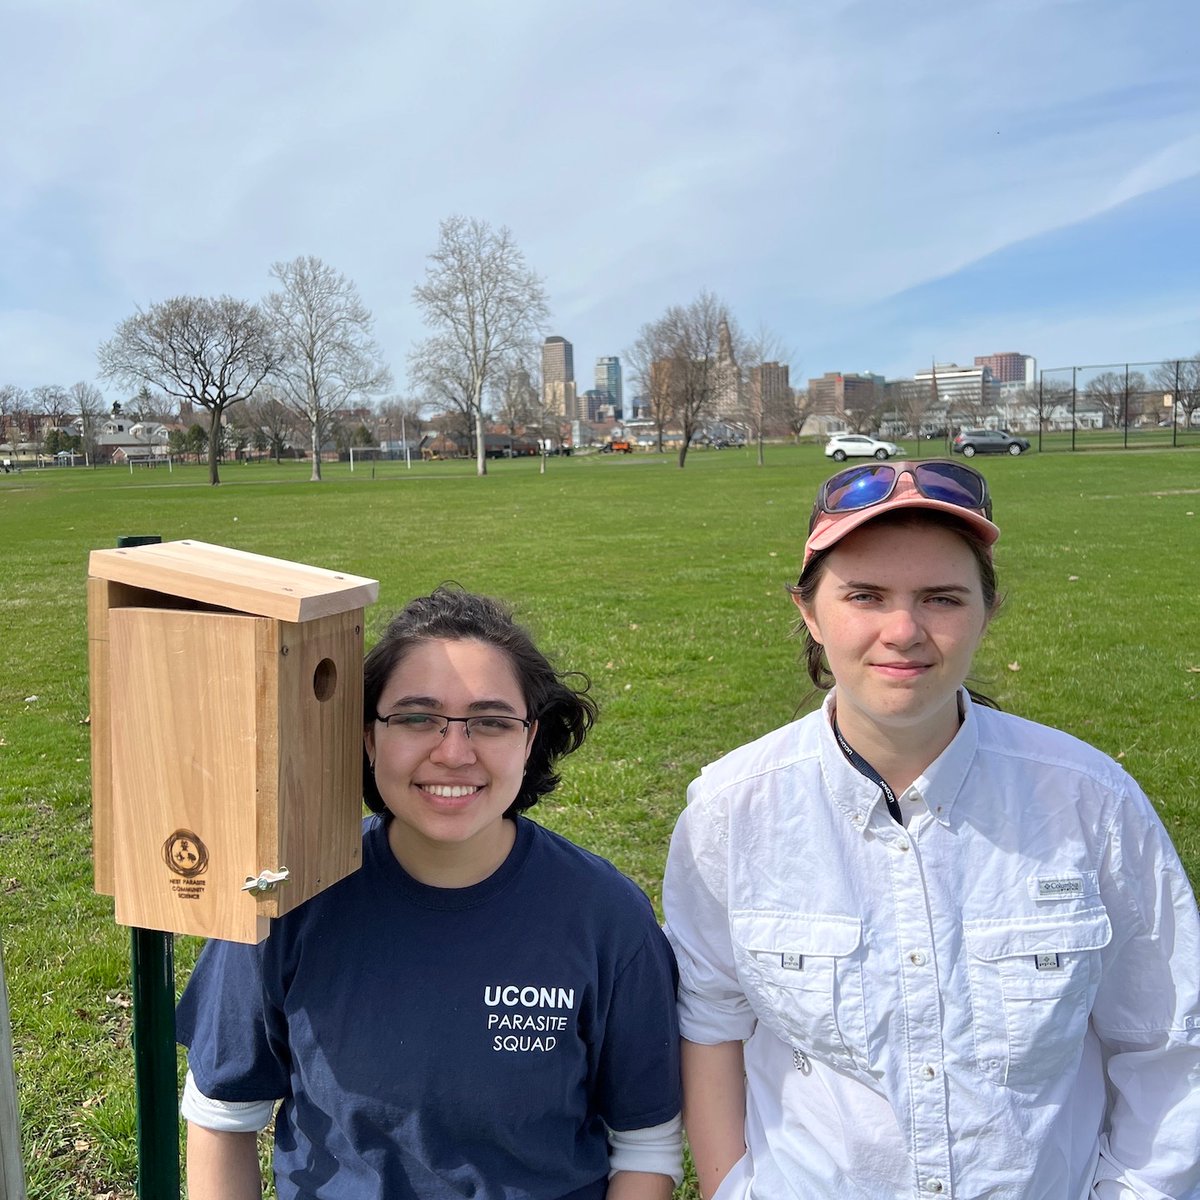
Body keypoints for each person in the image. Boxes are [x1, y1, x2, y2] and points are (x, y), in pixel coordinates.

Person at [663, 460, 1200, 1200]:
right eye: (865, 596)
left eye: (941, 598)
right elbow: (712, 1021)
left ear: (988, 610)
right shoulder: (729, 810)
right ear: (811, 613)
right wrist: (731, 1191)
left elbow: (1169, 1041)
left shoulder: (1091, 801)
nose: (904, 631)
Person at [178, 586, 682, 1200]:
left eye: (491, 722)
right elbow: (221, 1115)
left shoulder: (607, 918)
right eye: (417, 718)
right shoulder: (284, 902)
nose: (453, 752)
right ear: (367, 736)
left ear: (529, 739)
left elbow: (646, 1143)